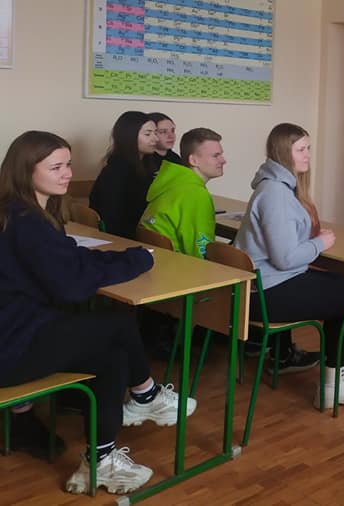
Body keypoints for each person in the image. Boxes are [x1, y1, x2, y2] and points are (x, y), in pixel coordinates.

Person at [0, 131, 197, 495]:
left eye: (68, 164)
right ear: (26, 171)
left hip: (21, 332)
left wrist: (126, 258)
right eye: (55, 167)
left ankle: (102, 458)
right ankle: (146, 395)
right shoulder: (27, 223)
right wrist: (136, 261)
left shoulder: (26, 213)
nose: (67, 173)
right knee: (118, 322)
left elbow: (71, 261)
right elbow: (72, 285)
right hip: (11, 347)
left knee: (112, 355)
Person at [234, 123, 344, 408]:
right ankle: (335, 386)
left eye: (308, 148)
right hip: (265, 294)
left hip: (263, 285)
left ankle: (333, 375)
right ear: (283, 153)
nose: (308, 155)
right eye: (301, 149)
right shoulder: (276, 193)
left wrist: (311, 241)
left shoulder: (275, 186)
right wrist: (320, 243)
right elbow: (284, 258)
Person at [141, 128, 225, 258]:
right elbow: (200, 251)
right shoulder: (196, 194)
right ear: (193, 161)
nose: (223, 160)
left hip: (158, 260)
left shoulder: (173, 182)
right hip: (180, 265)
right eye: (215, 156)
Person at [89, 111, 159, 238]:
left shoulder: (147, 165)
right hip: (122, 237)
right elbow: (113, 217)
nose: (156, 139)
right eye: (148, 134)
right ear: (129, 136)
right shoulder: (117, 170)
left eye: (155, 133)